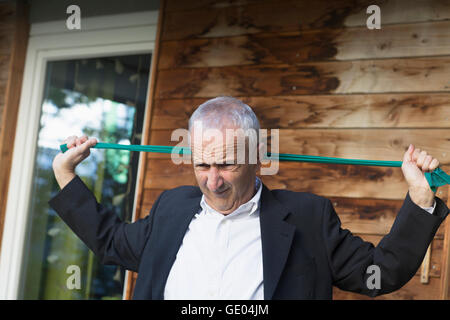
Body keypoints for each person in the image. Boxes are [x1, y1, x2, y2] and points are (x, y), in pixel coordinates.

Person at [50, 96, 449, 300]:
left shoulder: (308, 218)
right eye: (202, 167)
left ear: (258, 158)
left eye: (226, 166)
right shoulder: (172, 208)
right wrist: (66, 175)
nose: (213, 182)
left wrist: (419, 196)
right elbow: (110, 242)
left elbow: (380, 273)